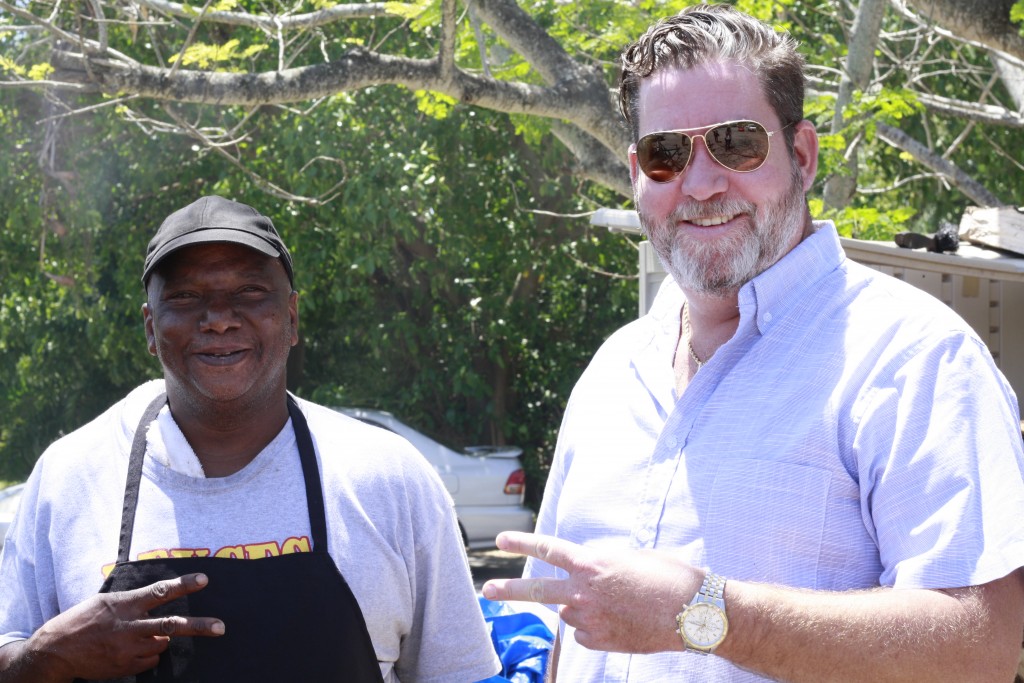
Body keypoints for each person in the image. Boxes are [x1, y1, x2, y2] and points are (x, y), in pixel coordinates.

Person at [483, 5, 1024, 682]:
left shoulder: (916, 357)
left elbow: (981, 648)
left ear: (801, 154)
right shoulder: (612, 371)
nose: (702, 183)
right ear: (635, 173)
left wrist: (705, 614)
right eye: (666, 154)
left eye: (735, 143)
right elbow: (562, 624)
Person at [0, 195, 501, 682]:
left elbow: (457, 672)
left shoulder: (389, 477)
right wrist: (49, 657)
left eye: (250, 292)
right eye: (186, 296)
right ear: (151, 327)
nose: (218, 317)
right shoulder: (68, 478)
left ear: (292, 318)